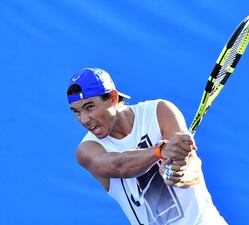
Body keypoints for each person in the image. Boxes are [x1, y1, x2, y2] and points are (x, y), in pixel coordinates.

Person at [66, 68, 227, 225]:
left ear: (113, 98)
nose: (84, 120)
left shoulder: (159, 112)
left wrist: (179, 173)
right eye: (76, 112)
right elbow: (119, 166)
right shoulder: (87, 150)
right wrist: (159, 151)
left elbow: (191, 163)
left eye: (89, 107)